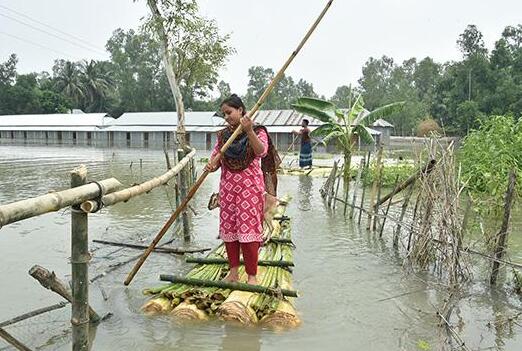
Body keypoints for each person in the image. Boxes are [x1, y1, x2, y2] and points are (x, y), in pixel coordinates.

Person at [205, 94, 280, 285]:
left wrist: (249, 131)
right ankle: (233, 273)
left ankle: (252, 276)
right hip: (228, 189)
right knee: (230, 230)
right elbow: (216, 160)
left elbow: (261, 151)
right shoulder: (223, 136)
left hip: (250, 189)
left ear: (240, 110)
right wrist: (211, 166)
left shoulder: (258, 130)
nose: (227, 117)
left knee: (248, 232)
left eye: (229, 112)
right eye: (224, 114)